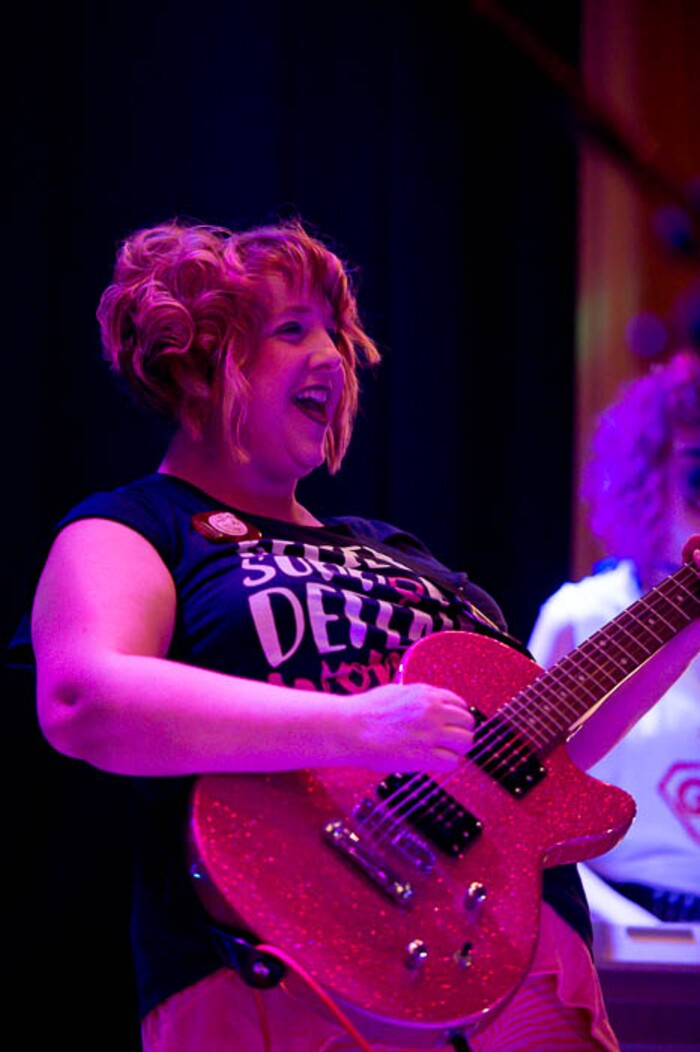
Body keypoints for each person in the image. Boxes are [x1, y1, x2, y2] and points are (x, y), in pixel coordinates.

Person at [19, 217, 700, 1052]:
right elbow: (85, 696)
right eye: (291, 328)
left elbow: (545, 758)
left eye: (337, 332)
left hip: (516, 971)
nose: (336, 358)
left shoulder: (404, 555)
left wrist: (686, 614)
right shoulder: (138, 528)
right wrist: (359, 725)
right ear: (198, 364)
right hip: (276, 973)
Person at [528, 350, 700, 927]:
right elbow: (526, 805)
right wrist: (626, 928)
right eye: (697, 474)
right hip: (618, 932)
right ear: (648, 481)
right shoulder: (582, 615)